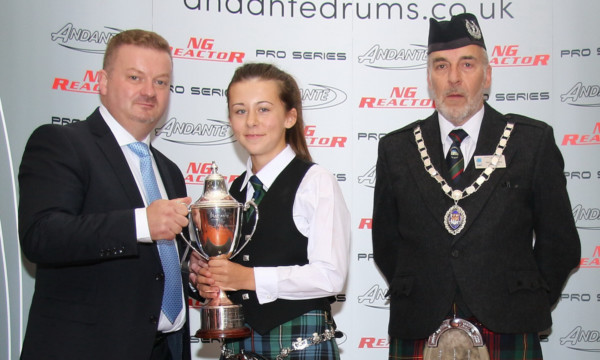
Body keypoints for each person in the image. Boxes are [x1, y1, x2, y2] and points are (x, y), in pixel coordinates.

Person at [372, 13, 581, 360]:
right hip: (419, 326)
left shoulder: (531, 142)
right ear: (428, 77)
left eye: (467, 64)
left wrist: (524, 301)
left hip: (509, 325)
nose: (453, 78)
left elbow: (560, 244)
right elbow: (386, 245)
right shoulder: (396, 149)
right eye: (441, 66)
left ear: (488, 75)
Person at [18, 29, 193, 360]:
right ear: (102, 81)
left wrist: (192, 273)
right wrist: (140, 223)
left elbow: (157, 269)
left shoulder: (169, 171)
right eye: (134, 77)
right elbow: (40, 235)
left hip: (165, 350)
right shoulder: (61, 143)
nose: (149, 91)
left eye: (161, 82)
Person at [189, 63, 350, 359]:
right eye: (240, 110)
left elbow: (330, 276)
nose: (251, 121)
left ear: (290, 117)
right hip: (238, 347)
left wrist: (246, 278)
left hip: (300, 343)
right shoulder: (231, 194)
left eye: (263, 109)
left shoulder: (316, 182)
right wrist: (205, 278)